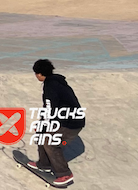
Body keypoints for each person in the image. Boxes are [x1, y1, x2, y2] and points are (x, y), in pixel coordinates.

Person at [23, 59, 83, 187]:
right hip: (66, 119)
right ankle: (44, 164)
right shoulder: (57, 82)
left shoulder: (51, 86)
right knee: (41, 133)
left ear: (39, 74)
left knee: (51, 142)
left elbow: (50, 108)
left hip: (71, 123)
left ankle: (65, 174)